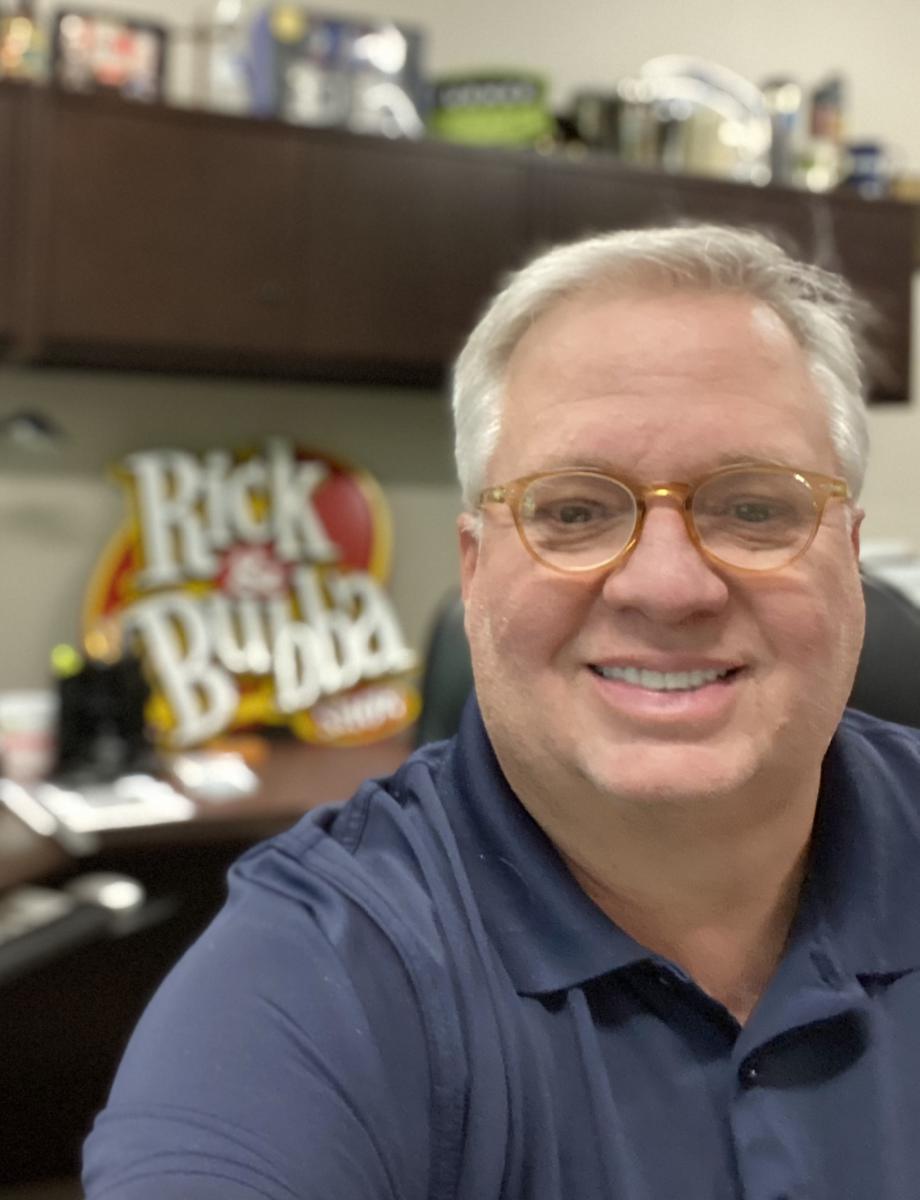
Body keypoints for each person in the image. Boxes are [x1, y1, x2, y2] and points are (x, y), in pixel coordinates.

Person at [83, 224, 920, 1199]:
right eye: (573, 512)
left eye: (754, 508)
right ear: (475, 568)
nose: (667, 586)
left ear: (849, 557)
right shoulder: (314, 973)